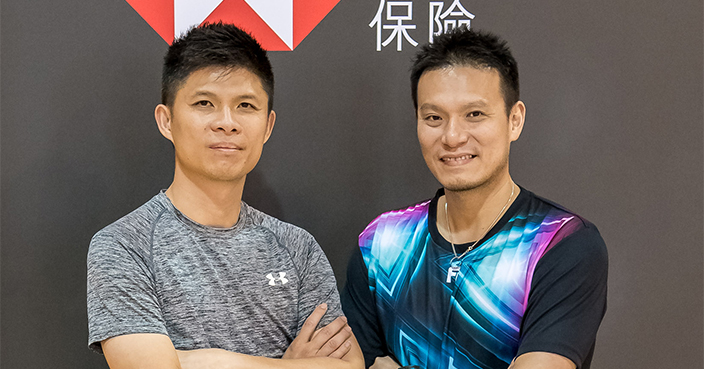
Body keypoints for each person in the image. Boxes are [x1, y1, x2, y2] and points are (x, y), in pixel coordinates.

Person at [87, 22, 363, 369]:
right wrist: (290, 365)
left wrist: (195, 360)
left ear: (268, 125)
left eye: (246, 105)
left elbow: (349, 366)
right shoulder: (124, 245)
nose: (227, 122)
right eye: (205, 103)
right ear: (166, 120)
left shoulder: (297, 248)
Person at [341, 27, 608, 369]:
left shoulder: (562, 243)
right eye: (434, 118)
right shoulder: (381, 242)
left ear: (515, 120)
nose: (452, 137)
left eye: (475, 115)